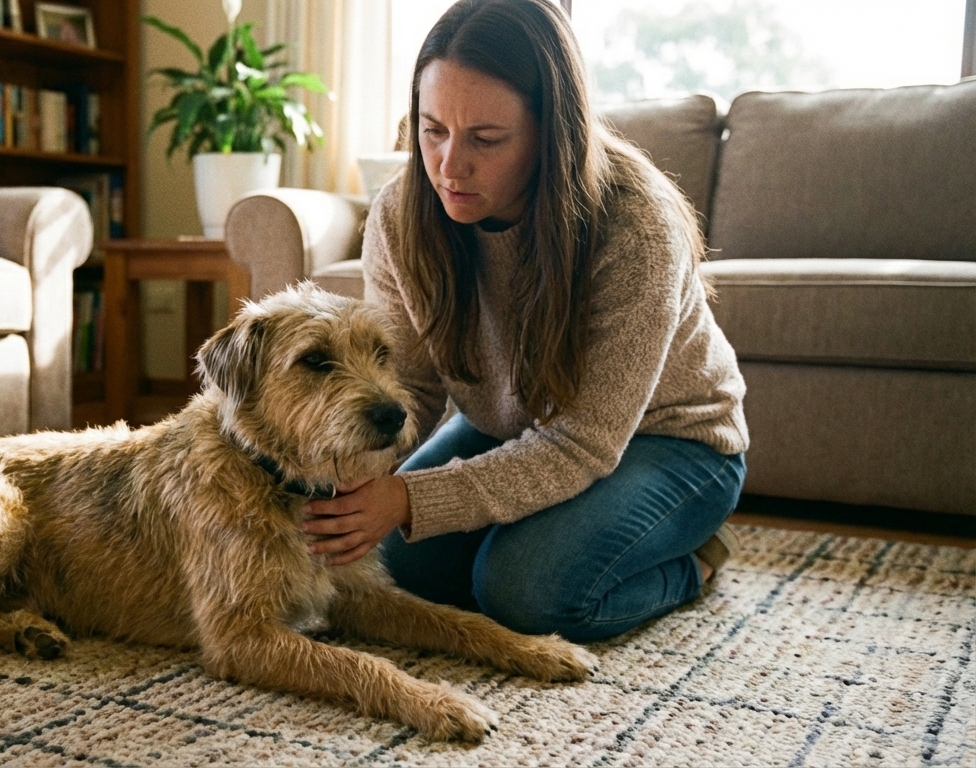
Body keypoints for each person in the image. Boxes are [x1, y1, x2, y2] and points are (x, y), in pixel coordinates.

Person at [299, 0, 748, 643]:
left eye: (486, 139)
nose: (450, 166)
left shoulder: (634, 221)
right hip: (512, 429)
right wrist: (354, 479)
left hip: (673, 441)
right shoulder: (402, 213)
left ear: (550, 132)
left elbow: (584, 441)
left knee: (527, 592)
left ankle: (692, 563)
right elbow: (413, 388)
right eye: (432, 130)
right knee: (394, 565)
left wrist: (408, 498)